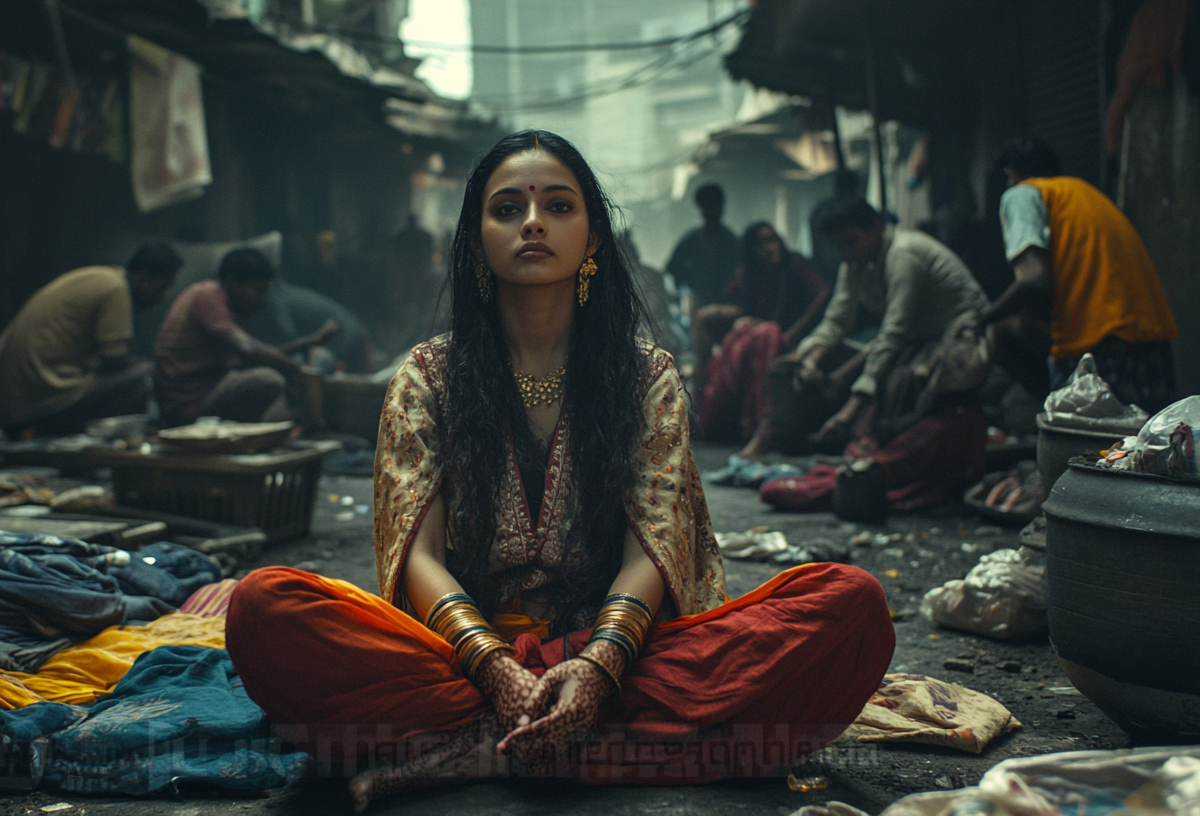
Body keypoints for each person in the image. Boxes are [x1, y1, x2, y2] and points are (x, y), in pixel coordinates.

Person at [224, 131, 893, 811]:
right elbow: (418, 557)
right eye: (508, 208)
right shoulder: (427, 376)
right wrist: (494, 669)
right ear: (477, 237)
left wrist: (599, 668)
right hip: (461, 665)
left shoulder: (646, 377)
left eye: (559, 206)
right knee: (264, 607)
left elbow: (652, 552)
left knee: (849, 604)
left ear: (595, 237)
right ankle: (576, 744)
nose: (534, 222)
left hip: (620, 661)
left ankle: (491, 747)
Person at [757, 197, 992, 512]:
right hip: (914, 343)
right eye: (841, 247)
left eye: (853, 242)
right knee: (842, 367)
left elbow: (893, 333)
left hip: (960, 341)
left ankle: (882, 453)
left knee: (898, 387)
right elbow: (837, 320)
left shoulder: (904, 255)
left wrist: (850, 408)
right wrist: (809, 361)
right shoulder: (855, 262)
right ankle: (869, 449)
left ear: (876, 228)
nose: (848, 254)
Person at [983, 137, 1178, 413]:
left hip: (1100, 348)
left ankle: (1054, 413)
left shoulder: (1021, 194)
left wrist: (986, 316)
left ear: (1010, 174)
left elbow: (1032, 280)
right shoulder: (1083, 193)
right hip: (1150, 342)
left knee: (998, 334)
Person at [0, 242, 182, 438]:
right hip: (36, 403)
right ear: (144, 277)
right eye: (161, 288)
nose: (161, 298)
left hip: (4, 406)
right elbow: (114, 359)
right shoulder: (116, 289)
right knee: (143, 375)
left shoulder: (103, 277)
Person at [153, 247, 335, 429]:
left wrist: (310, 342)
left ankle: (283, 434)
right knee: (268, 380)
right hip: (187, 403)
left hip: (209, 391)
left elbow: (259, 356)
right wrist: (298, 372)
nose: (262, 299)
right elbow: (249, 350)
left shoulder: (235, 311)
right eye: (258, 290)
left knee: (278, 374)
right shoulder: (207, 295)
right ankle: (279, 438)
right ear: (231, 281)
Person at [693, 222, 831, 445]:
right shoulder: (747, 274)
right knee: (746, 334)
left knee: (768, 333)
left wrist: (792, 334)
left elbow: (823, 294)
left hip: (794, 340)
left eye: (772, 240)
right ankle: (708, 416)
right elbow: (736, 304)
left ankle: (760, 429)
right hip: (759, 337)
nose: (768, 247)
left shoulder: (794, 265)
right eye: (760, 244)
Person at [664, 183, 740, 310]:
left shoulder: (733, 241)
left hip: (728, 305)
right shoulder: (690, 240)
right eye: (707, 205)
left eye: (715, 204)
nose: (712, 210)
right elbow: (672, 269)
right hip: (698, 304)